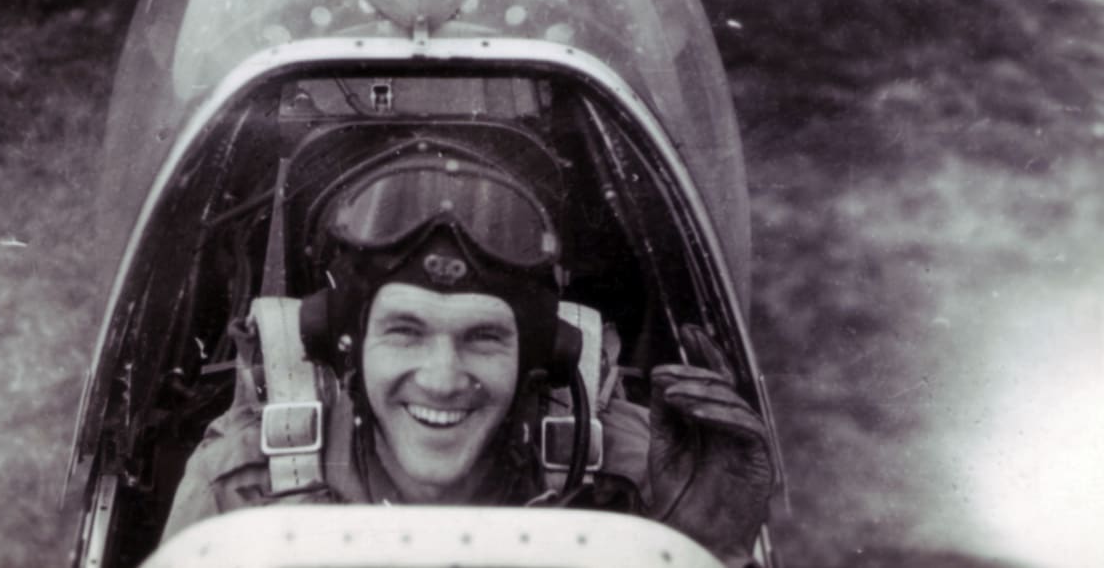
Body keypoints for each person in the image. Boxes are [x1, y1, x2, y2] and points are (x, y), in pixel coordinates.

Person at [160, 136, 773, 567]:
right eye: (405, 331)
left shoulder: (637, 470)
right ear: (343, 343)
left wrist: (703, 547)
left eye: (484, 337)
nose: (443, 378)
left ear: (540, 353)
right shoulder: (243, 480)